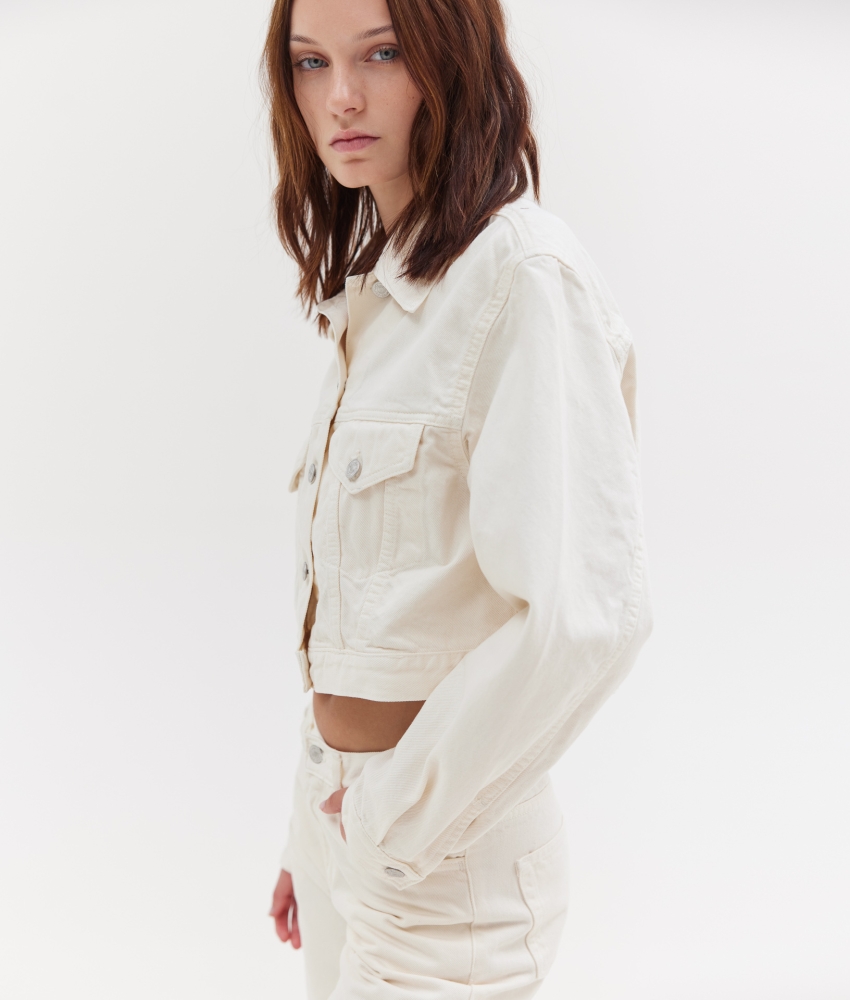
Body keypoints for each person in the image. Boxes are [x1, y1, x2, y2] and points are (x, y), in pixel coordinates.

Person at [265, 0, 652, 995]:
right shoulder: (382, 294)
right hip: (352, 826)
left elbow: (585, 617)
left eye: (382, 53)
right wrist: (316, 826)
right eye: (311, 63)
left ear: (453, 54)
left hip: (442, 865)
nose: (341, 98)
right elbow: (380, 613)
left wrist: (390, 821)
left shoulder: (522, 279)